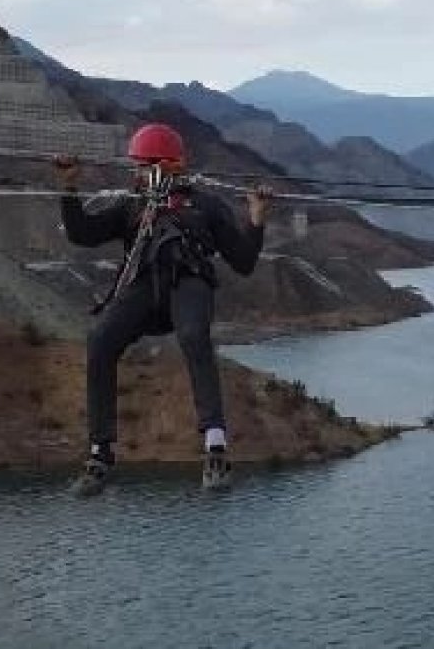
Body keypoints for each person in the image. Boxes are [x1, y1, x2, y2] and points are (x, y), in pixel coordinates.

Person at [52, 122, 272, 495]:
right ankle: (100, 452)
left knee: (193, 336)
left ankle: (215, 445)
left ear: (160, 166)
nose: (136, 174)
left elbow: (244, 260)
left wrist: (257, 218)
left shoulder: (206, 205)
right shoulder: (132, 206)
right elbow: (82, 233)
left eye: (141, 166)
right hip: (143, 287)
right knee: (101, 340)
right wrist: (69, 186)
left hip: (189, 281)